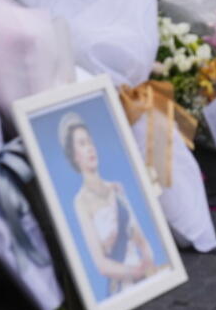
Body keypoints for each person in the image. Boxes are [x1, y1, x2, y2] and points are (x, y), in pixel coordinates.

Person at [59, 111, 157, 296]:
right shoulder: (81, 202)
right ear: (74, 156)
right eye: (82, 144)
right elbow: (101, 264)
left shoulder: (117, 189)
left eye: (90, 142)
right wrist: (135, 272)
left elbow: (140, 238)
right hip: (122, 284)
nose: (90, 148)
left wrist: (149, 263)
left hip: (144, 273)